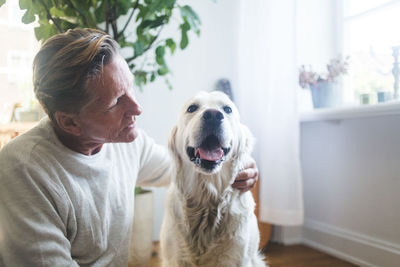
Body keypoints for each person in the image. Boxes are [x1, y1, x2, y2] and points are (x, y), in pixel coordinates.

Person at [0, 28, 258, 266]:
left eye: (130, 87)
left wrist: (240, 167)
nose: (137, 108)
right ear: (70, 122)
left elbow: (180, 168)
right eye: (115, 102)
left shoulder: (125, 142)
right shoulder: (23, 170)